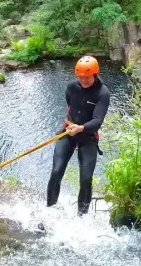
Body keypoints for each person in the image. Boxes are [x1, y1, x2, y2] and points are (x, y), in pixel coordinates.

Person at [46, 56, 111, 215]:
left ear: (95, 74)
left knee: (86, 178)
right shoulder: (71, 87)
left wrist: (81, 127)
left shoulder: (102, 93)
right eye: (80, 77)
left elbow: (97, 121)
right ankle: (50, 210)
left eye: (87, 77)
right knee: (56, 171)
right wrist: (72, 126)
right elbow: (71, 106)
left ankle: (82, 217)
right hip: (68, 132)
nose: (83, 80)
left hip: (88, 136)